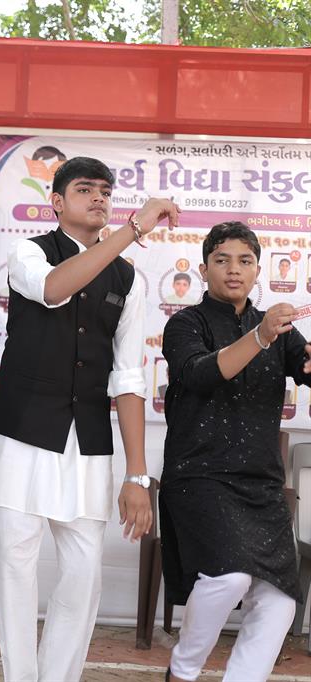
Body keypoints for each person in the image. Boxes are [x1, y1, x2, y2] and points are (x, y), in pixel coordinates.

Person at [0, 156, 178, 681]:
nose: (99, 198)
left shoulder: (128, 278)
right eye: (85, 189)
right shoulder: (28, 252)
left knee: (84, 575)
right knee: (13, 566)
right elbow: (53, 289)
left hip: (87, 440)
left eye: (105, 192)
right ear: (57, 202)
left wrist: (137, 476)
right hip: (20, 433)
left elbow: (129, 379)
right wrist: (134, 230)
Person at [161, 221, 307, 682]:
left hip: (260, 483)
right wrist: (261, 337)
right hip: (199, 475)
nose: (233, 269)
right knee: (230, 576)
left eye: (245, 261)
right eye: (222, 260)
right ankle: (182, 671)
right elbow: (201, 374)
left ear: (257, 270)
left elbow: (306, 368)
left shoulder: (280, 331)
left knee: (280, 598)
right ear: (204, 269)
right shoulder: (186, 324)